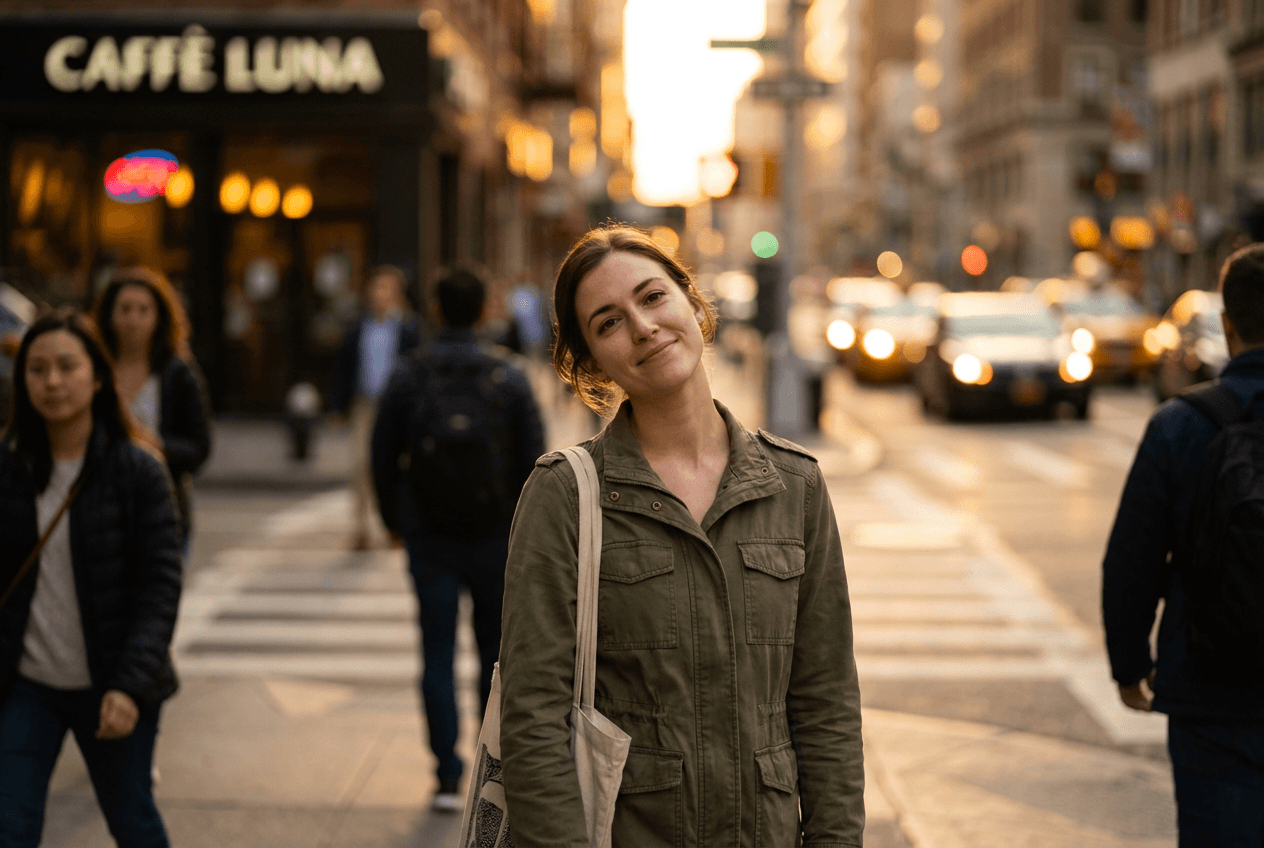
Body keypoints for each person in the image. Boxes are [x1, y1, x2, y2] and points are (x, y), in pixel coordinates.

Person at [497, 225, 865, 846]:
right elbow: (533, 720)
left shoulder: (794, 485)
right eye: (609, 323)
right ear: (591, 362)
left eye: (652, 297)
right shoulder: (565, 495)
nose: (643, 327)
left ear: (694, 305)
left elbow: (826, 703)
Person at [0, 310, 183, 847]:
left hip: (112, 682)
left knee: (133, 823)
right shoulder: (8, 467)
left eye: (67, 366)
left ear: (97, 376)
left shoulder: (137, 470)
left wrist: (130, 685)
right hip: (27, 684)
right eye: (37, 369)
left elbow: (159, 588)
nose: (52, 382)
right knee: (9, 828)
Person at [1103, 242, 1264, 846]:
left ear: (1227, 324)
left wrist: (1129, 664)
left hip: (1208, 688)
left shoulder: (1180, 425)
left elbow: (1132, 559)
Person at [370, 269, 544, 813]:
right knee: (496, 656)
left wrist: (395, 521)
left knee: (437, 652)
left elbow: (381, 455)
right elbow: (535, 462)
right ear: (485, 310)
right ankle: (492, 770)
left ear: (437, 309)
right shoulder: (508, 376)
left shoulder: (409, 373)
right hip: (495, 536)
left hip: (430, 535)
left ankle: (446, 774)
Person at [93, 267, 212, 552]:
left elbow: (199, 448)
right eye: (125, 309)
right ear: (109, 314)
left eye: (143, 310)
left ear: (159, 317)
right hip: (101, 511)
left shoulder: (178, 373)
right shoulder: (93, 369)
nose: (133, 319)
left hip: (163, 513)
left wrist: (155, 445)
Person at [331, 265, 422, 550]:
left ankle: (394, 527)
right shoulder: (358, 326)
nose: (380, 294)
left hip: (397, 406)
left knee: (398, 465)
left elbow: (417, 368)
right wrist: (338, 406)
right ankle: (361, 528)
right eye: (377, 287)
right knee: (360, 465)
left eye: (387, 288)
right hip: (365, 404)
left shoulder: (409, 327)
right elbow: (344, 368)